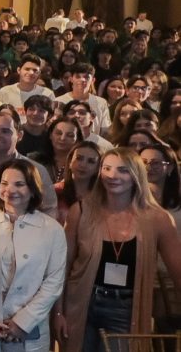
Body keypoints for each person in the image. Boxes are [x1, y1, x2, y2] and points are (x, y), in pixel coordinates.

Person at [53, 148, 181, 352]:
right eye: (107, 168)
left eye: (123, 170)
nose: (112, 176)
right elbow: (62, 265)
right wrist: (58, 312)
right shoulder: (81, 211)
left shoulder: (158, 219)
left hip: (126, 308)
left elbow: (178, 272)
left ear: (137, 174)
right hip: (82, 301)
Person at [0, 159, 66, 351]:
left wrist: (23, 322)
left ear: (32, 189)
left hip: (29, 331)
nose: (10, 190)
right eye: (4, 183)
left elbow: (53, 281)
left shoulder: (52, 229)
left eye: (19, 184)